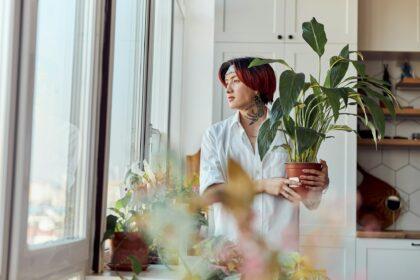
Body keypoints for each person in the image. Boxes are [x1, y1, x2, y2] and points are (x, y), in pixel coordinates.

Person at [199, 57, 330, 251]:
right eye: (227, 83)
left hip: (281, 255)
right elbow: (211, 194)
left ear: (257, 86)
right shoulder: (215, 136)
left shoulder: (292, 133)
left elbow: (311, 203)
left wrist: (320, 184)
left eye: (235, 81)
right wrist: (263, 185)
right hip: (231, 253)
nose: (228, 89)